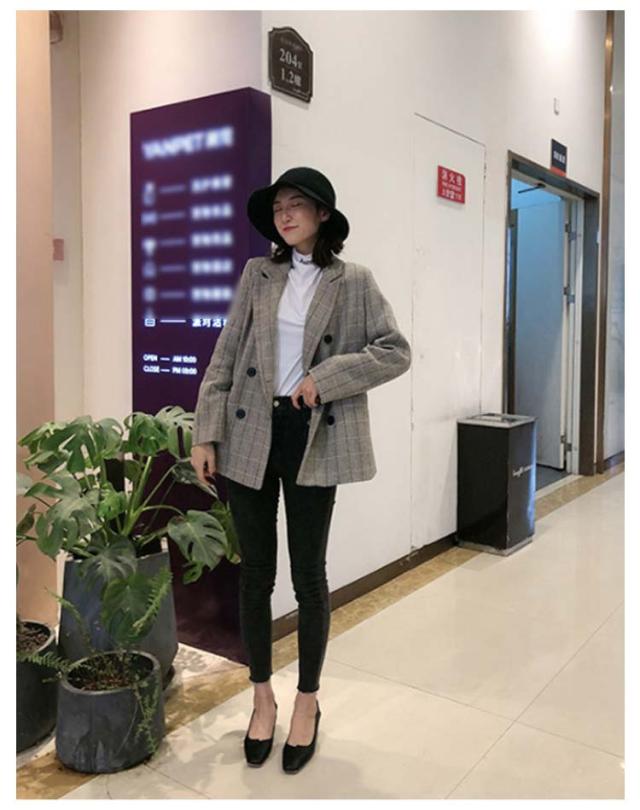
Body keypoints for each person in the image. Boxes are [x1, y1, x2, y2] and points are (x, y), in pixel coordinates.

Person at [190, 166, 411, 774]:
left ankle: (307, 700)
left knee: (309, 577)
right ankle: (262, 696)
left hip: (313, 433)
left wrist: (325, 377)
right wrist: (205, 431)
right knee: (255, 575)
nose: (284, 215)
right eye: (277, 207)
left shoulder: (353, 280)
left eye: (296, 205)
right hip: (249, 433)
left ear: (322, 215)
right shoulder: (258, 274)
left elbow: (394, 351)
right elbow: (226, 353)